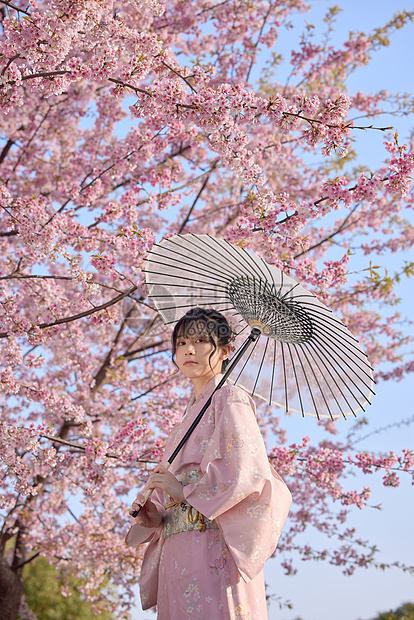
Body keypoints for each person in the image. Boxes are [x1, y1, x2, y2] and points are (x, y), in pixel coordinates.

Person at [126, 308, 292, 619]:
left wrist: (185, 491)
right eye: (181, 342)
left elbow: (249, 473)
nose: (189, 349)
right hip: (177, 551)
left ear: (226, 350)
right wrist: (154, 512)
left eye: (202, 340)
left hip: (212, 543)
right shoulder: (186, 417)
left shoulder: (231, 398)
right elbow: (171, 493)